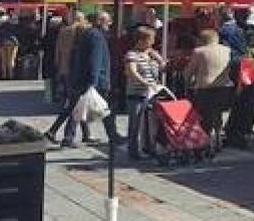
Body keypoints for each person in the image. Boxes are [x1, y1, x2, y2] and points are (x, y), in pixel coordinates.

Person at [64, 12, 122, 148]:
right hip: (97, 80)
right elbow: (95, 59)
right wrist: (93, 82)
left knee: (80, 107)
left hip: (86, 78)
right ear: (100, 21)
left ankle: (69, 137)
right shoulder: (97, 37)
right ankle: (112, 135)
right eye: (108, 21)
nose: (110, 24)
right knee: (103, 108)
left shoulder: (89, 34)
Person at [44, 12, 90, 145]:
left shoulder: (63, 31)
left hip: (64, 70)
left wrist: (59, 67)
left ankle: (86, 133)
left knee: (76, 102)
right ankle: (57, 132)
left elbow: (57, 51)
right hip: (74, 70)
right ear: (80, 19)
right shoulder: (80, 31)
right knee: (75, 103)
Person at [186, 28, 235, 145]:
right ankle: (218, 136)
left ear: (201, 40)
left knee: (205, 115)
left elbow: (189, 72)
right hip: (225, 87)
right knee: (217, 112)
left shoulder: (199, 51)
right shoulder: (227, 50)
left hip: (205, 88)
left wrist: (188, 82)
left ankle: (207, 141)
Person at [123, 26, 164, 161]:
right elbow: (131, 72)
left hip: (152, 94)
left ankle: (151, 147)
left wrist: (159, 59)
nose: (153, 42)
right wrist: (146, 82)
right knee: (135, 123)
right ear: (141, 40)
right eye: (151, 39)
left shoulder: (152, 54)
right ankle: (133, 150)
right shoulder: (132, 55)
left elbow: (163, 68)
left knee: (152, 124)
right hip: (137, 94)